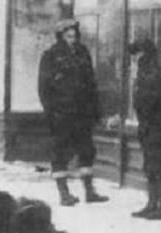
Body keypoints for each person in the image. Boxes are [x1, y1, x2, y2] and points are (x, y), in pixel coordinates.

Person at [38, 19, 108, 206]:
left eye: (75, 35)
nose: (73, 39)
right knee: (60, 152)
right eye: (68, 36)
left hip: (83, 113)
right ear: (61, 36)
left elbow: (91, 83)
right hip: (62, 114)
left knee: (87, 150)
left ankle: (89, 191)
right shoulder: (51, 56)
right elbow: (44, 88)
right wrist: (51, 112)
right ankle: (64, 193)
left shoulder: (83, 53)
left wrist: (95, 110)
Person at [129, 38, 161, 220]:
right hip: (150, 126)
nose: (134, 58)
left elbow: (151, 100)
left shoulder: (151, 71)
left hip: (157, 127)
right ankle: (152, 203)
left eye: (136, 54)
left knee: (157, 166)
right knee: (151, 166)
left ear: (143, 54)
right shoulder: (147, 70)